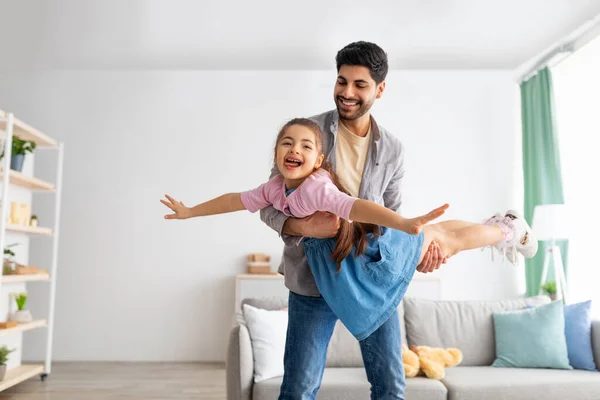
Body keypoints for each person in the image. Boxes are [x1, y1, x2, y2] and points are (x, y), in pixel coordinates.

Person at [161, 118, 538, 396]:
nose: (295, 150)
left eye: (306, 146)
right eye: (287, 144)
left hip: (374, 253)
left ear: (320, 158)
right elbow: (235, 200)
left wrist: (405, 223)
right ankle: (499, 226)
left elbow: (359, 206)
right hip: (336, 270)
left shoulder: (318, 189)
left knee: (444, 239)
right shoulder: (274, 187)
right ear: (276, 153)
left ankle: (507, 230)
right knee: (439, 233)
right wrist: (191, 211)